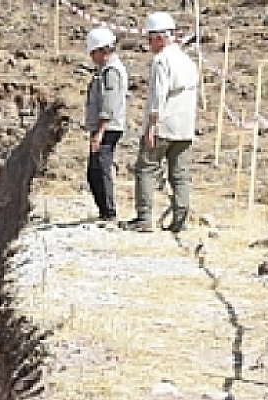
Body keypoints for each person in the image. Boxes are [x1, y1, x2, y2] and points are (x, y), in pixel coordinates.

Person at [125, 11, 199, 233]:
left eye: (150, 39)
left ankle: (144, 217)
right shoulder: (188, 61)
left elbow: (159, 95)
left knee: (146, 169)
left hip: (163, 125)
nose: (149, 44)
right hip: (184, 127)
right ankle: (180, 221)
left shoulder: (161, 61)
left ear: (159, 38)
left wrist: (151, 124)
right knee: (180, 175)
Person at [83, 27, 128, 223]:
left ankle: (109, 213)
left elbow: (109, 102)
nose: (91, 57)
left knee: (100, 170)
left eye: (93, 52)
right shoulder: (105, 70)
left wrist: (99, 132)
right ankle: (104, 211)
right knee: (94, 171)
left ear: (102, 51)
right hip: (104, 127)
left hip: (108, 128)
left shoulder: (111, 72)